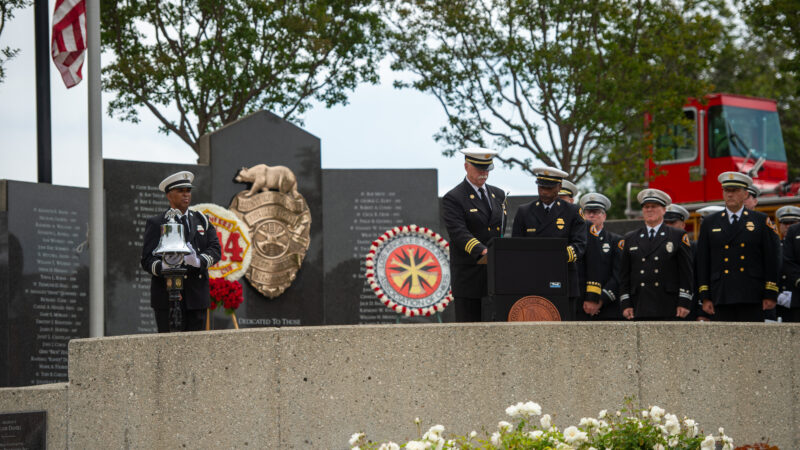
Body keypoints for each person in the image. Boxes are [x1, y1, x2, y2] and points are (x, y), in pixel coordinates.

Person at [141, 171, 221, 332]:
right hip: (166, 295)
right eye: (181, 191)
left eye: (188, 191)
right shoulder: (157, 222)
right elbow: (147, 259)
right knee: (169, 348)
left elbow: (215, 249)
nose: (186, 195)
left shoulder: (202, 220)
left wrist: (198, 261)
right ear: (169, 196)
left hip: (196, 295)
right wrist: (164, 267)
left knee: (195, 348)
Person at [695, 172, 779, 322]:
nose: (730, 195)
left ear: (745, 194)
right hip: (721, 292)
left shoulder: (760, 221)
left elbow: (771, 258)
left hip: (752, 292)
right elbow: (703, 260)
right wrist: (705, 295)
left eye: (735, 191)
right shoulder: (710, 222)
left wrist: (770, 292)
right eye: (727, 191)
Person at [512, 167, 586, 320]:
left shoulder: (572, 211)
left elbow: (580, 244)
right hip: (532, 279)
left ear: (559, 187)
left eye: (549, 188)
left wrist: (558, 257)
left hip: (562, 277)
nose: (544, 192)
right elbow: (516, 247)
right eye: (541, 187)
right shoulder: (524, 211)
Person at [442, 148, 507, 322]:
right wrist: (483, 251)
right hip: (469, 276)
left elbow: (499, 228)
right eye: (479, 169)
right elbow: (458, 232)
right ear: (466, 167)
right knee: (468, 332)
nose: (484, 173)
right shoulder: (454, 198)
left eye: (487, 169)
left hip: (494, 276)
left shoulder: (498, 194)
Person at [619, 189, 693, 320]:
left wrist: (684, 301)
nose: (649, 210)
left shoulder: (677, 236)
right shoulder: (631, 238)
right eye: (646, 207)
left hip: (669, 303)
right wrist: (626, 303)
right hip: (639, 303)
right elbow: (624, 275)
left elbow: (686, 273)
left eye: (654, 206)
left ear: (664, 210)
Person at [577, 193, 622, 320]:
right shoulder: (577, 241)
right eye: (588, 212)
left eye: (596, 212)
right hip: (580, 304)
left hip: (607, 306)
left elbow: (618, 275)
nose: (591, 215)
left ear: (604, 216)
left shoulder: (615, 241)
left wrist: (600, 300)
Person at [775, 206, 800, 321]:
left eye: (792, 222)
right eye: (785, 223)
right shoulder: (774, 246)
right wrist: (777, 295)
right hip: (778, 301)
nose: (788, 226)